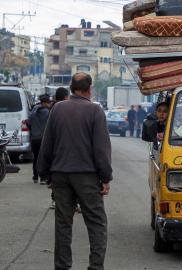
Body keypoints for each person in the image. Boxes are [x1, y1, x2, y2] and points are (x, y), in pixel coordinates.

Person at [37, 72, 112, 270]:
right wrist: (105, 178)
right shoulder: (96, 111)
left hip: (61, 174)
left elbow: (48, 143)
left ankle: (62, 267)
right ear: (90, 89)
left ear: (70, 89)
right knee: (96, 223)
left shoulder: (57, 109)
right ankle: (95, 267)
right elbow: (101, 148)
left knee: (63, 223)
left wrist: (45, 173)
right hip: (87, 176)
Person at [48, 87, 70, 210]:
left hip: (54, 146)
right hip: (64, 146)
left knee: (55, 174)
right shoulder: (66, 109)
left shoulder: (51, 109)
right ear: (66, 97)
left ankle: (55, 200)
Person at [26, 94, 51, 184]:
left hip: (34, 139)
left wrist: (34, 130)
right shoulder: (48, 114)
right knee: (43, 158)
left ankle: (35, 176)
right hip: (43, 139)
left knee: (35, 157)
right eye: (48, 103)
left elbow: (28, 123)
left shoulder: (33, 113)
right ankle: (43, 178)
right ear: (44, 104)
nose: (50, 104)